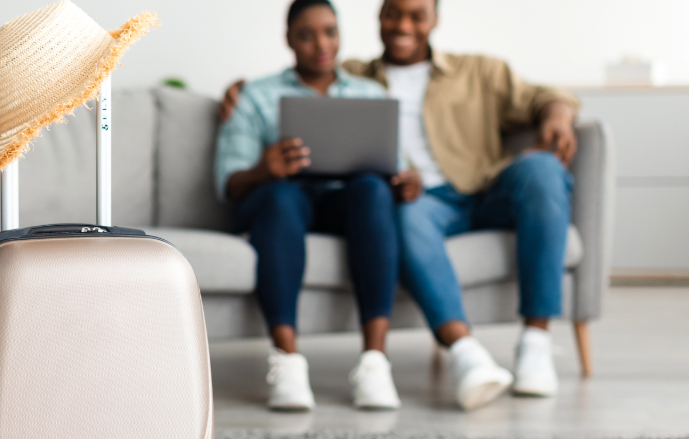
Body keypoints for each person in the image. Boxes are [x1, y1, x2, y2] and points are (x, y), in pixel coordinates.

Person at [221, 0, 581, 411]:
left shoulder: (482, 71)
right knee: (388, 207)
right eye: (393, 13)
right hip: (422, 203)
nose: (403, 25)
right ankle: (465, 353)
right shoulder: (358, 75)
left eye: (416, 15)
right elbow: (301, 79)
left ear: (435, 19)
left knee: (542, 168)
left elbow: (548, 95)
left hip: (484, 188)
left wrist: (558, 114)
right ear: (378, 18)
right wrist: (239, 90)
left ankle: (535, 343)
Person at [216, 0, 423, 412]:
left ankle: (375, 362)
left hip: (345, 203)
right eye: (306, 35)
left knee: (372, 189)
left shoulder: (370, 94)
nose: (320, 44)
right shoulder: (256, 96)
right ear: (288, 39)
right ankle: (287, 359)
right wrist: (264, 168)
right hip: (282, 200)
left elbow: (396, 166)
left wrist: (409, 179)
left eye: (329, 31)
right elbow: (230, 183)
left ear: (341, 34)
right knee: (280, 194)